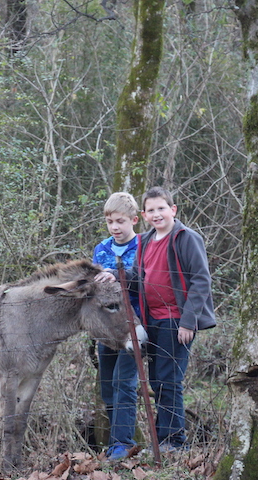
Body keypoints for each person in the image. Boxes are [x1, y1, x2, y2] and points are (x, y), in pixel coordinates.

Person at [134, 186, 216, 451]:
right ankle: (162, 440)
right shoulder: (145, 241)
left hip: (176, 320)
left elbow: (201, 280)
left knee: (170, 381)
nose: (157, 214)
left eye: (161, 208)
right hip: (152, 321)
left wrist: (188, 321)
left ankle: (176, 441)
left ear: (173, 210)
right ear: (144, 215)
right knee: (157, 381)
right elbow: (137, 276)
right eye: (151, 210)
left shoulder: (186, 238)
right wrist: (113, 274)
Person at [92, 191, 145, 462]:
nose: (115, 227)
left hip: (133, 328)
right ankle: (115, 441)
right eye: (110, 221)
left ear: (134, 220)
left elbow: (145, 281)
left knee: (124, 383)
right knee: (107, 386)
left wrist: (117, 276)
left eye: (120, 221)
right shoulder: (101, 249)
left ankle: (124, 443)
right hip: (106, 330)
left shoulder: (144, 247)